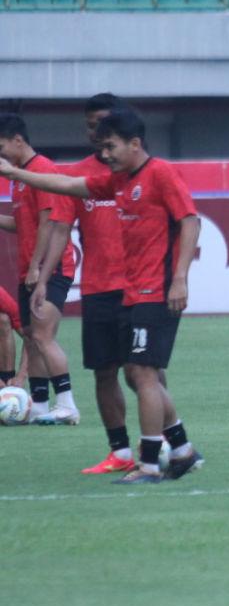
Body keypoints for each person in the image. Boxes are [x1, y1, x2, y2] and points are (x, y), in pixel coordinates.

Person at [0, 108, 204, 483]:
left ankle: (148, 464)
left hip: (155, 291)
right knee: (132, 373)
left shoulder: (160, 173)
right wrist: (17, 174)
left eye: (110, 146)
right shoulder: (118, 182)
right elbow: (68, 186)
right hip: (130, 293)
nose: (104, 154)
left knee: (142, 373)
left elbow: (190, 221)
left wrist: (180, 279)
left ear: (134, 143)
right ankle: (181, 450)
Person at [36, 93, 142, 472]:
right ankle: (120, 452)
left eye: (103, 124)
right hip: (98, 288)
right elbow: (60, 228)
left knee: (142, 372)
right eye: (90, 125)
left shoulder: (142, 172)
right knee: (104, 372)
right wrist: (43, 279)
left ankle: (166, 442)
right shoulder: (76, 175)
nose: (96, 131)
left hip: (138, 288)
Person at [0, 113, 80, 424]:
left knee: (43, 336)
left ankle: (67, 404)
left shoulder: (42, 170)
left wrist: (37, 267)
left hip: (50, 268)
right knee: (33, 338)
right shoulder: (19, 179)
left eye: (1, 146)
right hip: (29, 270)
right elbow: (24, 224)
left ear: (18, 140)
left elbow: (49, 221)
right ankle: (41, 405)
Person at [0, 284, 28, 388]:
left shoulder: (2, 298)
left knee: (2, 319)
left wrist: (21, 376)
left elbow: (30, 338)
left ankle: (7, 381)